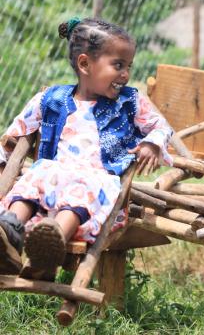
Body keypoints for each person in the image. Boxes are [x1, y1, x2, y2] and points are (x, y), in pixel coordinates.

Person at [0, 18, 174, 276]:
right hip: (54, 180)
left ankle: (54, 239)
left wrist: (152, 142)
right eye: (118, 65)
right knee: (35, 176)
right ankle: (9, 231)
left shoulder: (130, 102)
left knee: (82, 189)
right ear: (84, 64)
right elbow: (14, 134)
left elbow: (161, 126)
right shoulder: (51, 99)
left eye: (128, 66)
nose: (125, 74)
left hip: (97, 186)